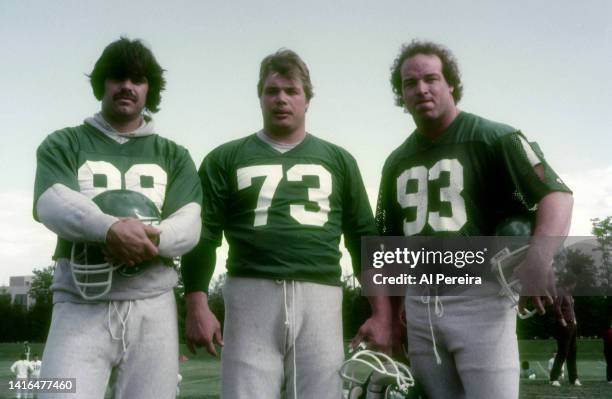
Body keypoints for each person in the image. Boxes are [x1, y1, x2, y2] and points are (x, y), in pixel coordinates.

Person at [181, 48, 390, 398]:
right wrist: (196, 304)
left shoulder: (338, 159)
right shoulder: (225, 157)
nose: (281, 99)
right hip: (251, 292)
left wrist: (381, 311)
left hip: (320, 294)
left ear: (307, 100)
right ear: (259, 97)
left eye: (291, 91)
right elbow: (203, 236)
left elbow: (363, 238)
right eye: (272, 91)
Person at [376, 40, 573, 399]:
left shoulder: (494, 137)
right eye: (409, 83)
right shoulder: (396, 161)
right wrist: (392, 311)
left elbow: (556, 194)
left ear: (450, 83)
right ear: (400, 94)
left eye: (431, 78)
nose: (421, 89)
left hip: (480, 298)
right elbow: (389, 244)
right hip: (420, 306)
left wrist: (539, 257)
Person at [33, 37, 202, 399]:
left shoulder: (174, 154)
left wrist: (147, 240)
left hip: (152, 303)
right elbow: (51, 202)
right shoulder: (63, 142)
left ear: (149, 89)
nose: (127, 85)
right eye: (117, 77)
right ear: (101, 84)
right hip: (80, 301)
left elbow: (190, 223)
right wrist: (110, 229)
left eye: (138, 79)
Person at [550, 274, 581, 386]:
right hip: (564, 326)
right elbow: (556, 307)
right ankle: (554, 379)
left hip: (572, 325)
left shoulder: (569, 294)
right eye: (574, 283)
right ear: (571, 283)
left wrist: (575, 321)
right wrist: (563, 322)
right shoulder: (560, 291)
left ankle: (574, 379)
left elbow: (571, 308)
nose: (575, 285)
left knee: (572, 353)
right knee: (562, 353)